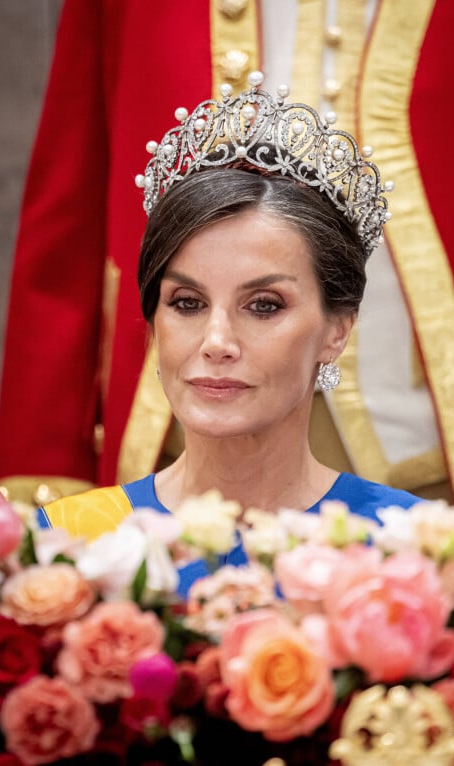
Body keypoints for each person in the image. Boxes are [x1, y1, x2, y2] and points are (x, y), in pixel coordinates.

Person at [37, 74, 420, 576]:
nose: (217, 342)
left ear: (337, 330)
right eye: (187, 302)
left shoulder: (409, 550)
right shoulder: (67, 547)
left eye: (264, 305)